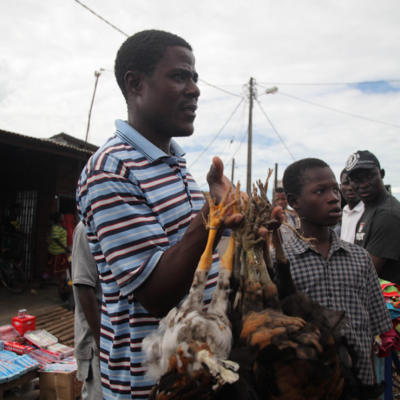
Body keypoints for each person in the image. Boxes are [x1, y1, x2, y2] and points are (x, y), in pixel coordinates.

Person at [76, 30, 282, 399]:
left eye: (195, 78)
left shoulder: (175, 164)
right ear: (136, 84)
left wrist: (251, 239)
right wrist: (212, 215)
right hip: (147, 386)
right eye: (179, 76)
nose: (195, 89)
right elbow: (155, 294)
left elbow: (200, 264)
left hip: (196, 378)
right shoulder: (110, 170)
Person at [272, 158, 392, 384]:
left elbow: (374, 329)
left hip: (360, 382)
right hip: (307, 385)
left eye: (335, 189)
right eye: (320, 191)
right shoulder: (280, 263)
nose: (334, 197)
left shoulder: (360, 258)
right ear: (294, 201)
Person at [345, 150, 400, 285]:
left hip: (390, 302)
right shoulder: (370, 208)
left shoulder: (387, 215)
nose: (363, 184)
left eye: (369, 176)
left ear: (381, 174)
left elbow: (366, 272)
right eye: (356, 180)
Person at [71, 222, 103, 400]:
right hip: (95, 344)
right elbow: (84, 288)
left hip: (112, 343)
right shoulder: (86, 229)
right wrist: (102, 343)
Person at [41, 212, 70, 289]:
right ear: (58, 219)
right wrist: (65, 248)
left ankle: (63, 284)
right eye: (62, 217)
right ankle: (44, 283)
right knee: (52, 269)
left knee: (63, 269)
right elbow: (57, 239)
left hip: (60, 251)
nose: (63, 218)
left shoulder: (60, 227)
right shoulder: (55, 228)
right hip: (56, 252)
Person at [339, 168, 364, 243]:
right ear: (340, 186)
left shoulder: (368, 211)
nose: (350, 188)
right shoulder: (345, 210)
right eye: (346, 183)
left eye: (355, 182)